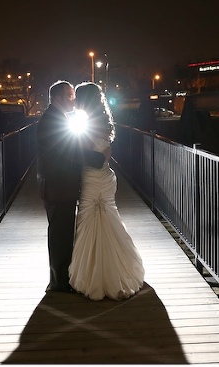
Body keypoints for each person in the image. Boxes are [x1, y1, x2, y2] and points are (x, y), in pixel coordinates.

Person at [68, 82, 145, 301]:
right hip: (105, 176)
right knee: (108, 220)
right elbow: (104, 152)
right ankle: (118, 270)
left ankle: (90, 274)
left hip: (91, 177)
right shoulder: (103, 121)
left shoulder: (81, 122)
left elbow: (80, 154)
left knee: (89, 222)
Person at [37, 80, 108, 292]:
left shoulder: (55, 118)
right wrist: (97, 158)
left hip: (60, 186)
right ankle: (59, 282)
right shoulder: (53, 121)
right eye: (69, 95)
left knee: (62, 232)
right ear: (58, 98)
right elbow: (68, 152)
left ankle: (60, 278)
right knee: (60, 233)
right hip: (58, 188)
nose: (73, 99)